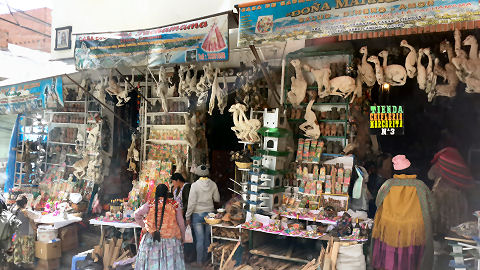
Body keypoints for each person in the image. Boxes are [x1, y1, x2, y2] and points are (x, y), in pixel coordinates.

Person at [371, 155, 436, 270]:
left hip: (390, 231)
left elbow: (377, 203)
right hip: (413, 233)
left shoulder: (387, 185)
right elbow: (433, 208)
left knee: (390, 260)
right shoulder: (421, 186)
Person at [134, 184, 186, 270]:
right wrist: (183, 238)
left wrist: (145, 226)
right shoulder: (174, 205)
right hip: (170, 240)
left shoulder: (150, 203)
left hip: (151, 237)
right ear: (167, 193)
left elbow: (136, 214)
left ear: (156, 193)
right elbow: (181, 224)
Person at [428, 147, 475, 237]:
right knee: (456, 224)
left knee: (439, 222)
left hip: (440, 196)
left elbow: (430, 175)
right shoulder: (458, 165)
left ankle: (440, 239)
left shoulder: (439, 165)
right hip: (457, 197)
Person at [186, 165, 220, 266]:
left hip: (197, 214)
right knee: (207, 238)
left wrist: (187, 216)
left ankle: (200, 262)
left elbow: (191, 203)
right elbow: (217, 199)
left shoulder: (194, 186)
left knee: (199, 240)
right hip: (210, 215)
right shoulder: (213, 184)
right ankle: (206, 260)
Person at [7, 195, 39, 267]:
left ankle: (17, 264)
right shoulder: (25, 211)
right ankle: (27, 265)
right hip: (25, 234)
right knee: (27, 252)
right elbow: (37, 216)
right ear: (24, 204)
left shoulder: (12, 209)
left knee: (17, 250)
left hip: (14, 234)